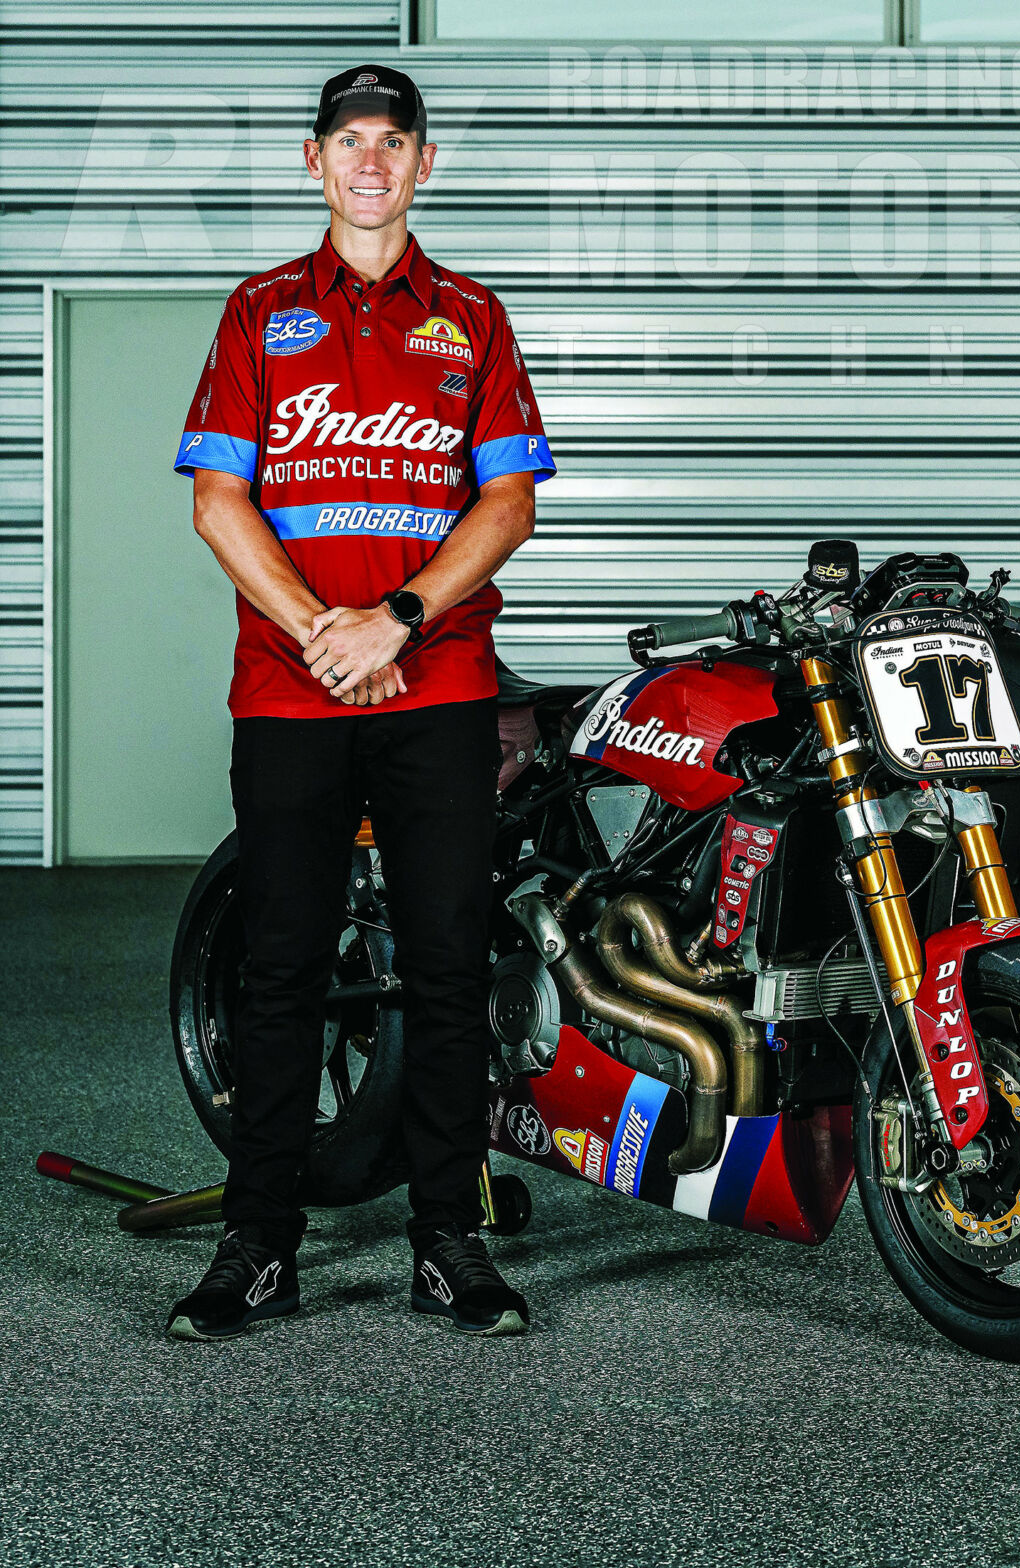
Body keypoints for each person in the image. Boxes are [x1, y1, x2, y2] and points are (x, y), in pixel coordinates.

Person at [168, 64, 552, 1339]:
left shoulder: (474, 319)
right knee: (281, 970)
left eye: (394, 140)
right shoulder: (259, 311)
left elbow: (507, 504)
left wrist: (393, 620)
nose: (371, 162)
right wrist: (323, 637)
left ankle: (447, 1241)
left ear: (425, 162)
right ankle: (258, 1245)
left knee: (448, 970)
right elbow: (217, 500)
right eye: (349, 141)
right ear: (313, 160)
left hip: (437, 686)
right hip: (289, 696)